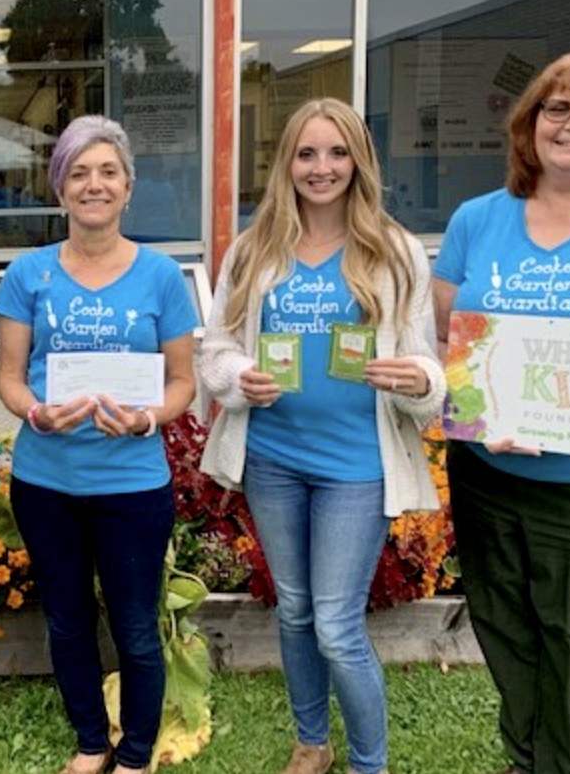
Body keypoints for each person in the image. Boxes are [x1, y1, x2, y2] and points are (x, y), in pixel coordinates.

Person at [199, 98, 446, 774]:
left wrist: (415, 380)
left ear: (358, 162)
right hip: (273, 459)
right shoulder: (253, 252)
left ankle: (369, 762)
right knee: (295, 612)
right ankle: (311, 742)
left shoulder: (393, 252)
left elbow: (430, 366)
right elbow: (214, 347)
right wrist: (237, 376)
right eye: (306, 154)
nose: (321, 168)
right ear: (286, 163)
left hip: (356, 466)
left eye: (336, 153)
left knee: (337, 627)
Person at [432, 50, 570, 774]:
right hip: (489, 477)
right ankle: (525, 759)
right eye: (557, 108)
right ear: (528, 124)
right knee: (508, 635)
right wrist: (480, 408)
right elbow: (448, 343)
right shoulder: (476, 221)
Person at [0, 115, 197, 774]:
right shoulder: (27, 275)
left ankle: (134, 754)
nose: (93, 184)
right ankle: (89, 742)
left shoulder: (162, 277)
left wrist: (146, 420)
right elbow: (9, 379)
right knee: (68, 621)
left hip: (133, 486)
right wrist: (36, 412)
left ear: (128, 187)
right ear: (59, 188)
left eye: (107, 171)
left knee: (136, 628)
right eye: (78, 172)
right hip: (46, 480)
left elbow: (182, 384)